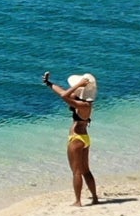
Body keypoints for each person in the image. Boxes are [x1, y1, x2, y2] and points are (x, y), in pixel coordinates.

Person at [41, 71, 100, 205]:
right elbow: (62, 91)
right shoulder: (84, 102)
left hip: (76, 139)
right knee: (85, 170)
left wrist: (78, 84)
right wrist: (49, 84)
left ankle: (78, 201)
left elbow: (64, 95)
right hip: (84, 138)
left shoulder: (83, 106)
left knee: (76, 172)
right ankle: (95, 197)